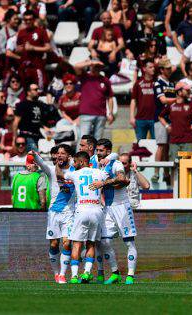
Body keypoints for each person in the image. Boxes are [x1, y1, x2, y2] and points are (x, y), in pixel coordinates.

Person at [55, 151, 108, 284]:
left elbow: (59, 175)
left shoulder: (75, 174)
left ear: (82, 162)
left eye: (75, 162)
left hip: (81, 210)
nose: (74, 164)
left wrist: (57, 163)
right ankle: (86, 273)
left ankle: (73, 276)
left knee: (77, 243)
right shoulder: (98, 172)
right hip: (96, 210)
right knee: (91, 243)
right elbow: (109, 174)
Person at [92, 138, 135, 285]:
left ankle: (130, 275)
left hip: (122, 206)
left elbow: (122, 178)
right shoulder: (100, 166)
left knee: (129, 242)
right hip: (108, 208)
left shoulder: (116, 164)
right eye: (97, 150)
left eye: (101, 151)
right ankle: (115, 272)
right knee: (104, 241)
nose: (98, 153)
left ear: (108, 151)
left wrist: (103, 183)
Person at [33, 144, 75, 284]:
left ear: (69, 156)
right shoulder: (51, 170)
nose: (59, 155)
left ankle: (63, 274)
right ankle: (56, 273)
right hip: (54, 213)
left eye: (63, 153)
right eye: (58, 153)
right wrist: (34, 155)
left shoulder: (75, 172)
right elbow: (41, 163)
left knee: (67, 243)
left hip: (69, 213)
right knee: (54, 244)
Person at [159, 81, 192, 161]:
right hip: (174, 142)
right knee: (174, 167)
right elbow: (160, 116)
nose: (189, 91)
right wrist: (167, 126)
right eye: (186, 90)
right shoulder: (171, 105)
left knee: (189, 166)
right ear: (179, 92)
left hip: (188, 142)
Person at [75, 59, 115, 141]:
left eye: (99, 67)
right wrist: (90, 62)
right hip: (86, 113)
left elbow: (110, 97)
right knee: (83, 139)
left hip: (101, 114)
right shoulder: (85, 77)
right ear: (91, 67)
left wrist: (110, 113)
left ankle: (96, 154)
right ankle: (80, 154)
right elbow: (76, 66)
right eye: (95, 66)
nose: (97, 68)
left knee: (98, 140)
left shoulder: (105, 80)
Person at [153, 57, 176, 183]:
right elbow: (163, 100)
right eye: (167, 69)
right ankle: (156, 172)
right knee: (161, 146)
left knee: (167, 147)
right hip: (160, 118)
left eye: (170, 68)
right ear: (161, 70)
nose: (170, 70)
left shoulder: (171, 84)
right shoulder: (158, 83)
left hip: (171, 119)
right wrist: (177, 99)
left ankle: (166, 174)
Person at [16, 10, 51, 90]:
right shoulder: (21, 32)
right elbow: (18, 49)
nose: (28, 21)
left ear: (34, 19)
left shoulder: (41, 32)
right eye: (26, 20)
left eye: (30, 19)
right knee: (25, 90)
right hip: (24, 67)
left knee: (39, 89)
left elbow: (48, 48)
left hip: (37, 65)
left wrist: (33, 48)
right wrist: (18, 50)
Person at [13, 83, 50, 151]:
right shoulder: (22, 105)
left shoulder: (40, 104)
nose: (37, 91)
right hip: (27, 136)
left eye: (38, 89)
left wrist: (45, 127)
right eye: (35, 89)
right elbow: (15, 123)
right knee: (36, 155)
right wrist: (14, 139)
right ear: (28, 92)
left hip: (39, 135)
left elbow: (39, 120)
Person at [129, 60, 156, 141]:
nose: (153, 69)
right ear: (144, 69)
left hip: (155, 119)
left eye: (153, 67)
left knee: (156, 144)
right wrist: (131, 117)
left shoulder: (157, 82)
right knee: (140, 144)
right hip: (140, 119)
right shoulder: (138, 83)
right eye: (150, 67)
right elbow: (133, 100)